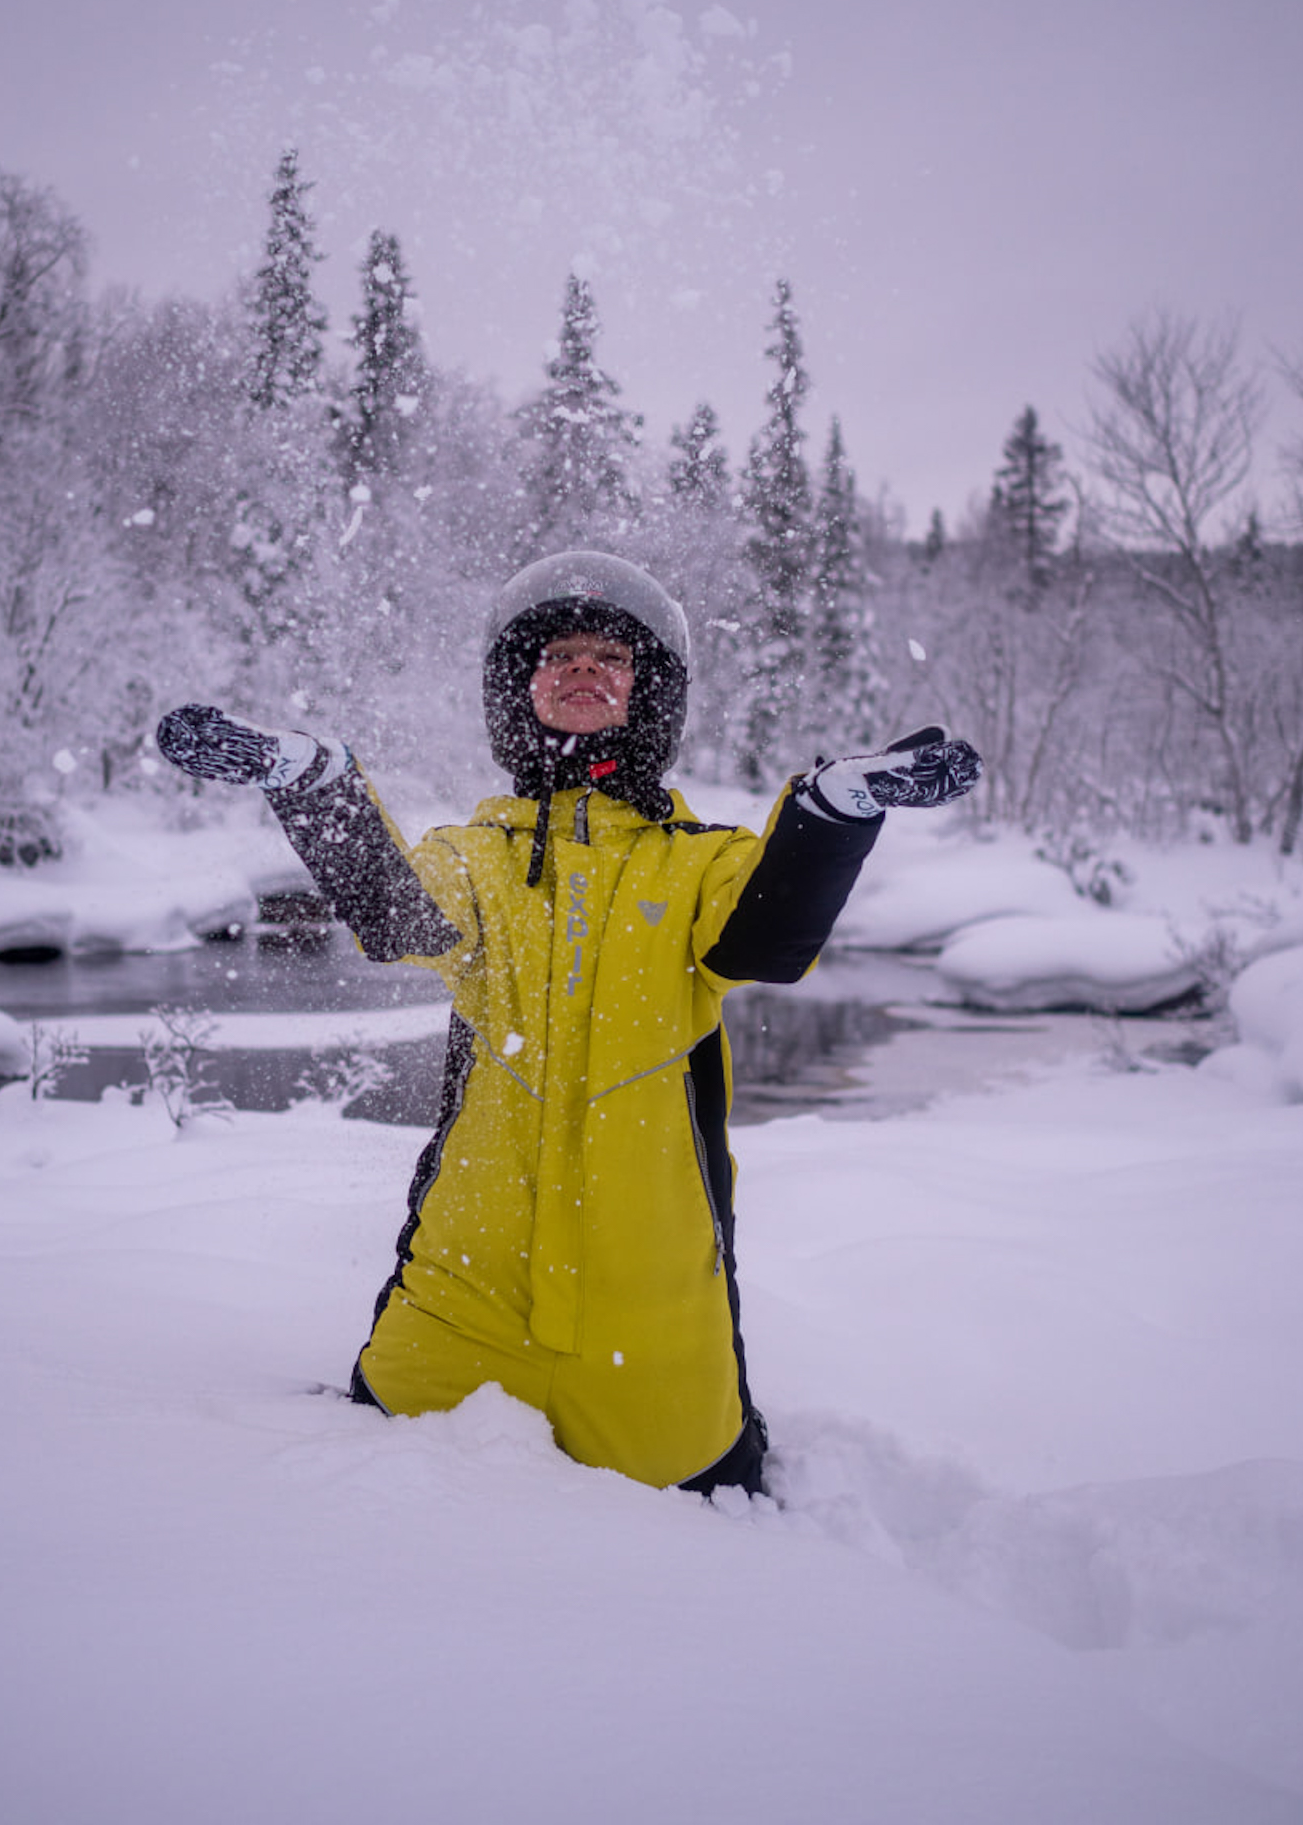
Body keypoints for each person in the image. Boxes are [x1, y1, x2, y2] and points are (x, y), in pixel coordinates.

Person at [157, 550, 980, 1495]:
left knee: (696, 1547)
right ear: (520, 688)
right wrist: (313, 782)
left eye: (612, 657)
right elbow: (396, 914)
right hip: (459, 1311)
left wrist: (834, 811)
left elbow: (769, 938)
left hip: (655, 1338)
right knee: (382, 1525)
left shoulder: (699, 862)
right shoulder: (474, 857)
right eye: (558, 655)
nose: (584, 667)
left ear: (650, 692)